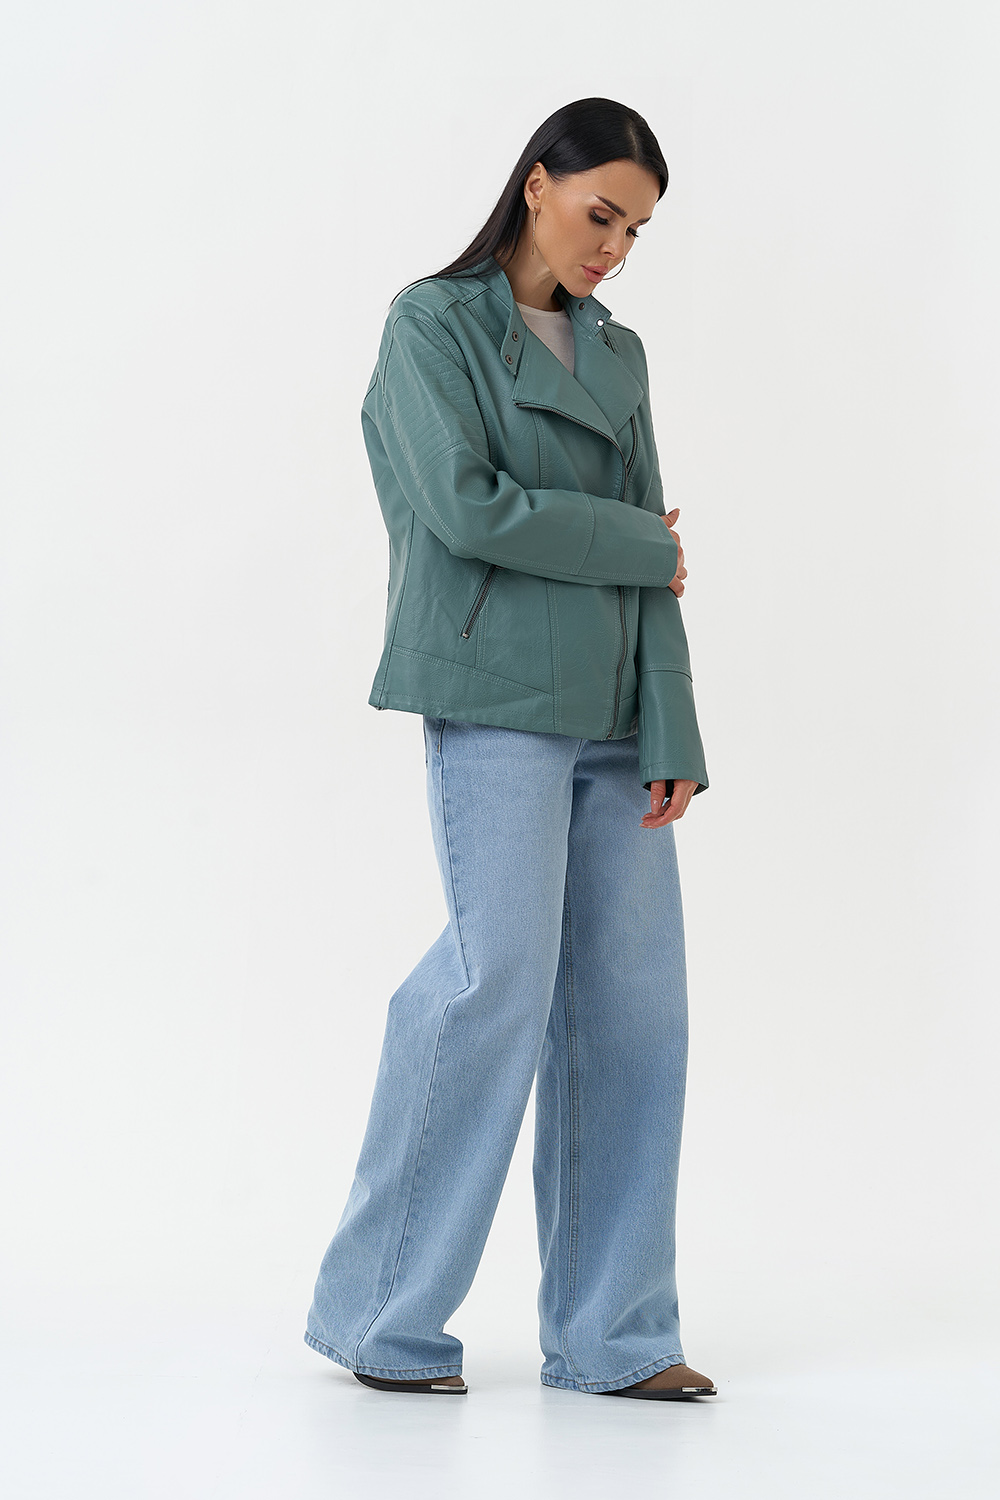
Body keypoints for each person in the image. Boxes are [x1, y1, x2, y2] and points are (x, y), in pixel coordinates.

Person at [304, 97, 716, 1401]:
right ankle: (380, 1316)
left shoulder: (620, 354)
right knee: (497, 984)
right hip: (496, 693)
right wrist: (639, 540)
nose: (615, 248)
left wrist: (674, 725)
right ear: (536, 183)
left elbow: (653, 574)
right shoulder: (431, 326)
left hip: (617, 716)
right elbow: (469, 509)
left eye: (636, 231)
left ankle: (614, 1337)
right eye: (602, 214)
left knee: (638, 1014)